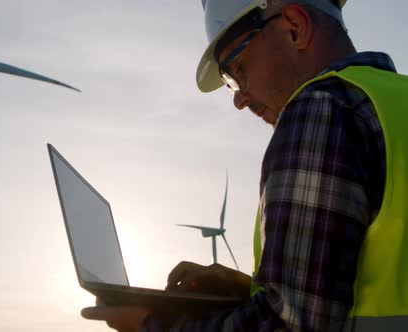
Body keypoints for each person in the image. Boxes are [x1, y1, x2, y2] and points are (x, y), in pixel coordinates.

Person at [82, 0, 408, 330]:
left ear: (295, 27)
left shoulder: (323, 109)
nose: (239, 100)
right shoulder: (395, 101)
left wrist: (153, 325)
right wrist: (252, 289)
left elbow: (288, 325)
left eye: (238, 69)